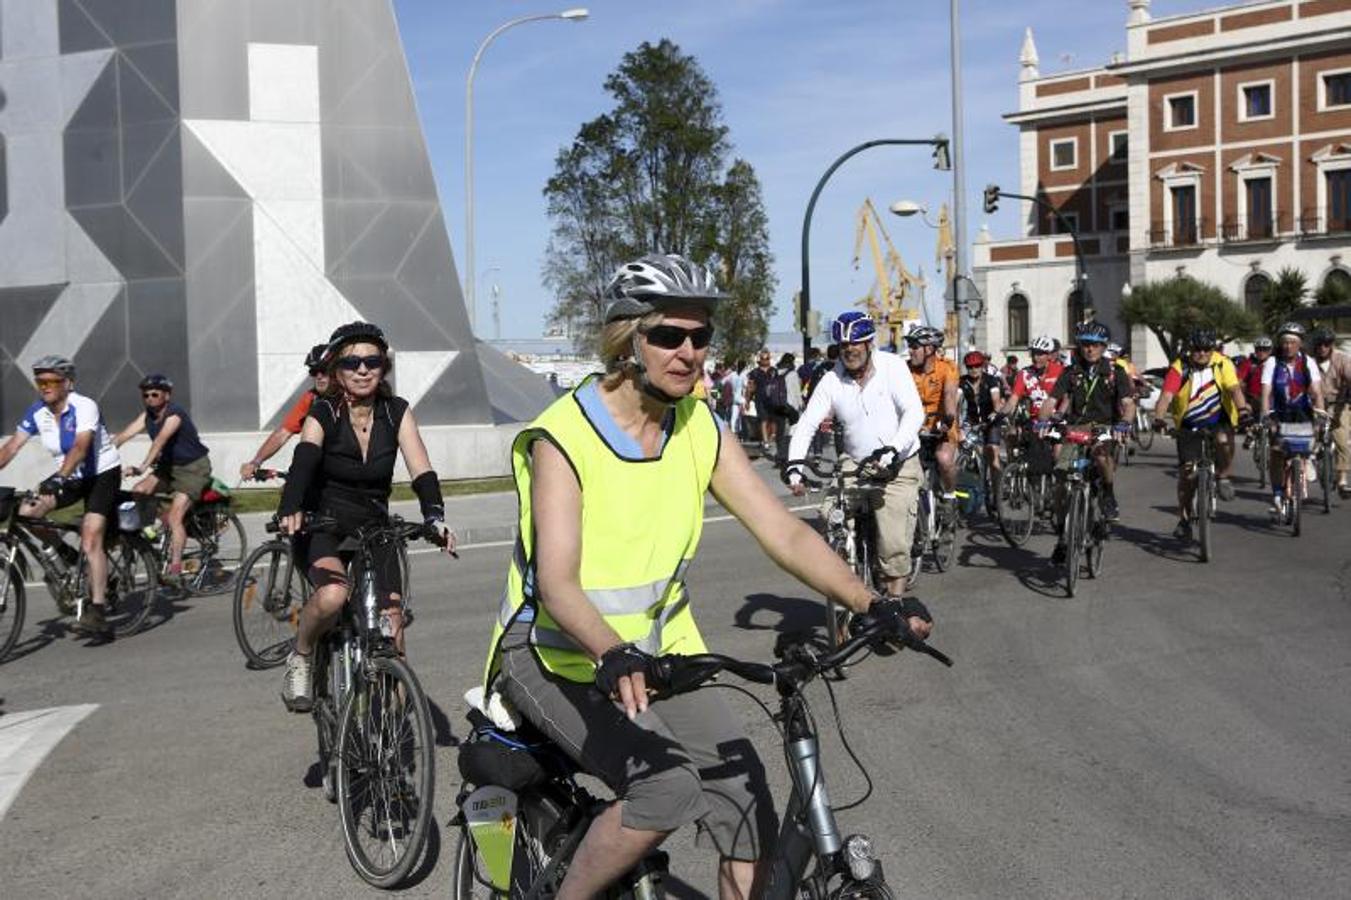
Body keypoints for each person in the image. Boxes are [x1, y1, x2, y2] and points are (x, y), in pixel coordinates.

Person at [480, 255, 933, 900]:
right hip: (556, 654)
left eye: (700, 337)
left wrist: (869, 601)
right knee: (667, 789)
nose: (689, 351)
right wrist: (610, 650)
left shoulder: (698, 427)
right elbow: (556, 582)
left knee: (748, 806)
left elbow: (782, 531)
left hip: (661, 656)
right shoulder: (564, 437)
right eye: (670, 335)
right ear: (627, 339)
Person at [276, 321, 454, 711]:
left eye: (372, 361)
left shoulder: (396, 412)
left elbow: (421, 470)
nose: (362, 369)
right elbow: (304, 459)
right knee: (333, 596)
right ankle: (302, 655)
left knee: (392, 626)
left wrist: (435, 516)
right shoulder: (323, 410)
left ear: (383, 366)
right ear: (338, 369)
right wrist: (291, 506)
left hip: (375, 526)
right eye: (352, 361)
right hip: (323, 521)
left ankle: (388, 734)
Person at [786, 310, 926, 594]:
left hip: (897, 463)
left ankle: (894, 605)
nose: (850, 350)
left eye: (856, 343)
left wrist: (894, 448)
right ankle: (846, 591)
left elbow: (914, 412)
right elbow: (807, 424)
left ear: (869, 343)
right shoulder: (831, 380)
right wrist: (794, 466)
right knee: (828, 516)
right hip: (855, 462)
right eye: (844, 346)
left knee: (893, 544)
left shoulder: (892, 367)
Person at [0, 356, 121, 635]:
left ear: (68, 382)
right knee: (26, 512)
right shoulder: (37, 412)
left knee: (91, 538)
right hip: (69, 477)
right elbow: (11, 447)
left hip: (101, 474)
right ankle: (66, 555)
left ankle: (98, 611)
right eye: (40, 381)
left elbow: (80, 447)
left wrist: (58, 477)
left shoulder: (84, 405)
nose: (45, 386)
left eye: (52, 381)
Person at [1041, 321, 1135, 561]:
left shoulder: (1116, 372)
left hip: (1104, 427)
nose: (1089, 349)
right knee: (1061, 480)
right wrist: (1043, 420)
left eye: (1094, 345)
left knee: (1102, 456)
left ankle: (1108, 494)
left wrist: (1124, 422)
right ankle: (1063, 536)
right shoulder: (1070, 372)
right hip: (1076, 429)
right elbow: (1051, 401)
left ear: (1103, 347)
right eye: (1085, 344)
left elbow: (1127, 404)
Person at [1150, 328, 1253, 541]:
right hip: (1189, 423)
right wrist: (1159, 418)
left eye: (1207, 349)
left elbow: (1234, 390)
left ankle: (1223, 476)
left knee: (1223, 440)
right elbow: (1166, 396)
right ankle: (1184, 519)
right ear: (1190, 350)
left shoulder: (1222, 363)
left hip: (1219, 419)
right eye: (1197, 350)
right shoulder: (1180, 367)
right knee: (1187, 474)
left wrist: (1243, 412)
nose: (1202, 354)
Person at [114, 374, 213, 585]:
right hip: (169, 467)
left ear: (166, 395)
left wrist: (142, 467)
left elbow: (160, 440)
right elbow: (124, 435)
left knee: (175, 517)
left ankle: (175, 570)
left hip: (192, 468)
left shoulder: (174, 414)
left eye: (154, 394)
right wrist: (103, 457)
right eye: (145, 395)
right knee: (139, 491)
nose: (149, 398)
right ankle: (153, 531)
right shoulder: (147, 415)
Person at [1261, 322, 1328, 517]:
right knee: (1276, 452)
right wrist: (1265, 415)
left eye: (1292, 342)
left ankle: (1306, 459)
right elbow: (1266, 392)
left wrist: (1321, 413)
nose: (1288, 346)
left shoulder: (1308, 362)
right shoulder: (1272, 363)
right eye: (1284, 342)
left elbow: (1316, 391)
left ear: (1299, 344)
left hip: (1302, 412)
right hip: (1280, 412)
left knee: (1312, 435)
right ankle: (1277, 493)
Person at [240, 344, 330, 482]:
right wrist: (255, 462)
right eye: (314, 371)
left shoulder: (355, 398)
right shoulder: (311, 399)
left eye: (324, 370)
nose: (319, 376)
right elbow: (283, 433)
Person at [905, 325, 959, 496]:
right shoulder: (905, 369)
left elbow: (950, 395)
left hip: (941, 425)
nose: (910, 352)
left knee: (943, 459)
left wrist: (949, 418)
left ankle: (950, 495)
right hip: (914, 427)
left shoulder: (947, 367)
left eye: (914, 347)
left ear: (929, 349)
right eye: (910, 347)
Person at [1309, 328, 1351, 498]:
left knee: (1342, 440)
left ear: (1332, 345)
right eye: (1319, 344)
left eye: (1326, 344)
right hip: (1314, 405)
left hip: (1338, 404)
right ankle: (1311, 461)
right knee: (1309, 436)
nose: (1322, 348)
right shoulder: (1309, 362)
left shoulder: (1342, 359)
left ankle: (1342, 481)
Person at [959, 350, 1004, 486]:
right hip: (971, 422)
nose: (973, 370)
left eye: (977, 366)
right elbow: (955, 402)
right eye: (970, 367)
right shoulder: (962, 382)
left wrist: (995, 412)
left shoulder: (991, 380)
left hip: (990, 420)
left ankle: (997, 490)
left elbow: (996, 401)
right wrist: (958, 427)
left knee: (993, 453)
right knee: (965, 449)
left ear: (982, 366)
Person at [743, 349, 785, 456]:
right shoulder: (754, 373)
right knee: (763, 420)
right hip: (760, 400)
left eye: (767, 358)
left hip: (774, 400)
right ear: (760, 359)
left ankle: (771, 437)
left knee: (773, 421)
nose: (766, 360)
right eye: (763, 358)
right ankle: (766, 441)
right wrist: (747, 401)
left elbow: (780, 386)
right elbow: (750, 387)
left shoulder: (774, 371)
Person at [1235, 336, 1273, 409]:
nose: (1261, 352)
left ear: (1270, 351)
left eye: (1265, 349)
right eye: (1259, 349)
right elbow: (1238, 382)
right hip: (1252, 400)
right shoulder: (1248, 363)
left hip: (1271, 400)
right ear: (1255, 350)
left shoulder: (1275, 363)